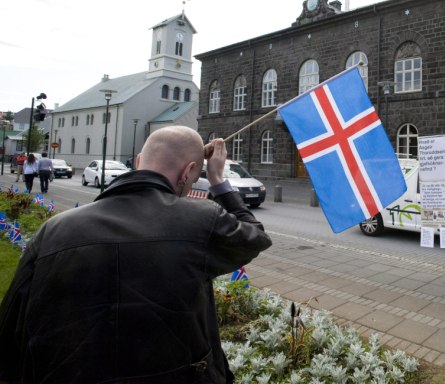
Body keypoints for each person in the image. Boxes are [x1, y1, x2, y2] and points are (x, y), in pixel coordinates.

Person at [0, 126, 272, 383]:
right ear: (189, 171)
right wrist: (218, 180)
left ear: (139, 160)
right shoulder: (200, 221)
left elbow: (11, 330)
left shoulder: (54, 229)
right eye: (193, 178)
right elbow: (255, 237)